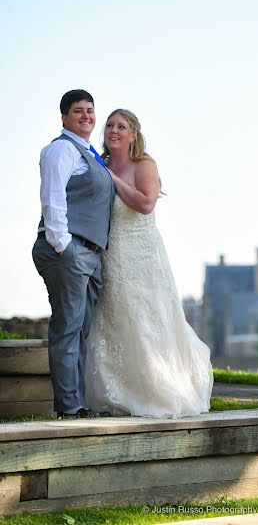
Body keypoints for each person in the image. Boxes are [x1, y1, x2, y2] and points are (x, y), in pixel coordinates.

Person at [85, 109, 213, 418]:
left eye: (121, 126)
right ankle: (117, 392)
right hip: (111, 255)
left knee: (148, 319)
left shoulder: (144, 165)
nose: (113, 130)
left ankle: (157, 389)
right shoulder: (96, 164)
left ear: (133, 135)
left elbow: (145, 204)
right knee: (115, 320)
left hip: (144, 256)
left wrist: (111, 177)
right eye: (110, 125)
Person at [32, 90, 115, 419]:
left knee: (80, 330)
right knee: (67, 328)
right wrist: (65, 248)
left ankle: (78, 405)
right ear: (64, 117)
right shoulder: (61, 149)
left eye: (90, 110)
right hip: (69, 250)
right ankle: (69, 409)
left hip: (89, 254)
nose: (86, 116)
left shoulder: (90, 154)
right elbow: (53, 200)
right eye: (78, 111)